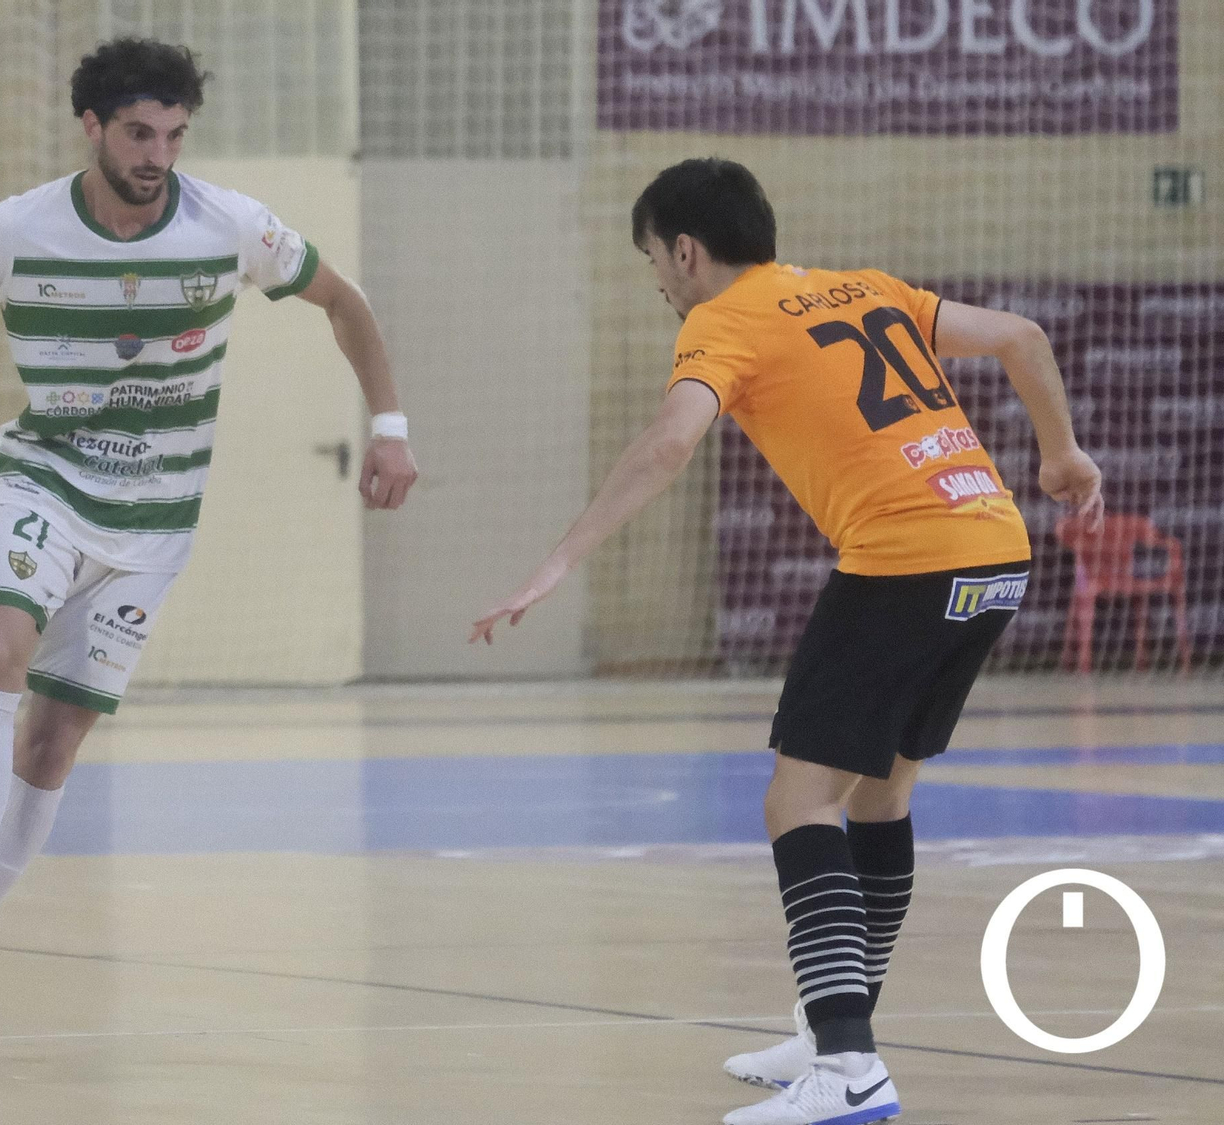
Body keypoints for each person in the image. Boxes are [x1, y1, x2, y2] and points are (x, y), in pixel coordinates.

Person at [0, 37, 418, 1061]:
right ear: (91, 127)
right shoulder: (17, 229)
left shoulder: (227, 226)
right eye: (136, 132)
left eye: (172, 134)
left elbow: (341, 302)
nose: (156, 153)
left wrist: (387, 426)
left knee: (53, 742)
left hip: (154, 523)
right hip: (43, 479)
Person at [471, 158, 1103, 1125]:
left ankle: (848, 1068)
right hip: (994, 552)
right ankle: (827, 1030)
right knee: (881, 791)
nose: (656, 278)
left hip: (905, 561)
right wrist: (1060, 455)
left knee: (797, 799)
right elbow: (1023, 336)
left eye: (653, 257)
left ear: (686, 250)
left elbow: (669, 443)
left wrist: (559, 562)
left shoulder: (720, 321)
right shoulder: (865, 286)